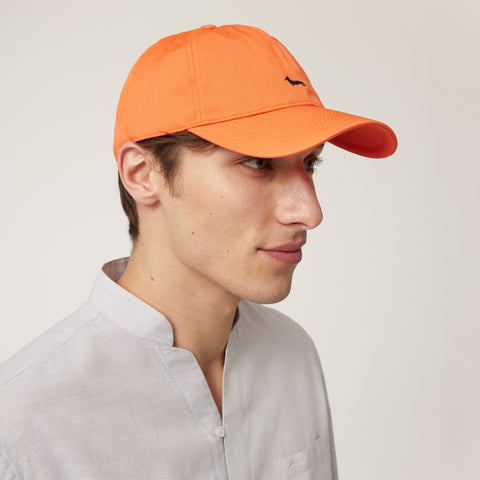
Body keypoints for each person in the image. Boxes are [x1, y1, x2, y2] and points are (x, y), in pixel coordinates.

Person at [0, 24, 397, 479]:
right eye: (258, 163)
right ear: (143, 174)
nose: (310, 212)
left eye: (311, 163)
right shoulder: (22, 423)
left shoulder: (292, 353)